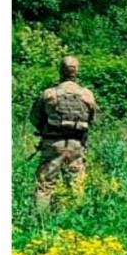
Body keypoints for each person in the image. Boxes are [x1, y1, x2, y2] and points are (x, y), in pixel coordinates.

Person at [29, 56, 97, 210]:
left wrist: (45, 130)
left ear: (60, 70)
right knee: (76, 184)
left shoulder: (49, 93)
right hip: (76, 145)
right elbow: (92, 119)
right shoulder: (87, 94)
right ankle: (75, 218)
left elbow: (34, 117)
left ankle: (41, 221)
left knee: (45, 184)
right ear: (76, 71)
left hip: (52, 144)